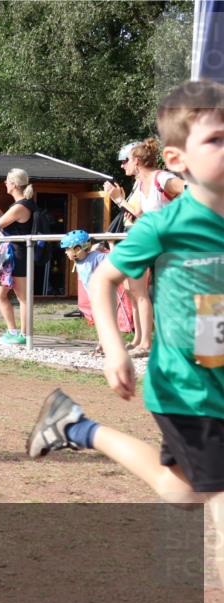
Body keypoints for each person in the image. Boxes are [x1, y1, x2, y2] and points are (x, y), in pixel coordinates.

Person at [26, 80, 223, 507]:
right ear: (177, 159)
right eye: (216, 140)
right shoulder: (166, 224)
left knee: (183, 492)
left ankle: (75, 428)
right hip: (189, 389)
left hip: (218, 378)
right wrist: (115, 350)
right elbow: (103, 280)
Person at [103, 139, 186, 358]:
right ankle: (144, 341)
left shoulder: (162, 178)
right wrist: (120, 201)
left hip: (170, 246)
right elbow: (142, 217)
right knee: (142, 292)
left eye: (125, 161)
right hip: (153, 244)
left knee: (155, 294)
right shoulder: (141, 184)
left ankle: (150, 344)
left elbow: (188, 191)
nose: (122, 166)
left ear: (137, 161)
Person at [0, 169, 35, 345]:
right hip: (10, 255)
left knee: (23, 297)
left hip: (18, 255)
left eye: (7, 181)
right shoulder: (20, 205)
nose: (5, 183)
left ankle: (25, 336)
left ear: (14, 184)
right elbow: (7, 225)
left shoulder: (21, 206)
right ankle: (12, 331)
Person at [60, 229, 132, 354]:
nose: (66, 252)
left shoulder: (96, 257)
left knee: (107, 321)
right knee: (100, 321)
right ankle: (103, 343)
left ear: (77, 249)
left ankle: (112, 346)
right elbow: (87, 252)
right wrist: (94, 246)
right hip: (94, 298)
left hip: (105, 296)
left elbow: (115, 260)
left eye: (67, 249)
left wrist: (111, 243)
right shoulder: (80, 259)